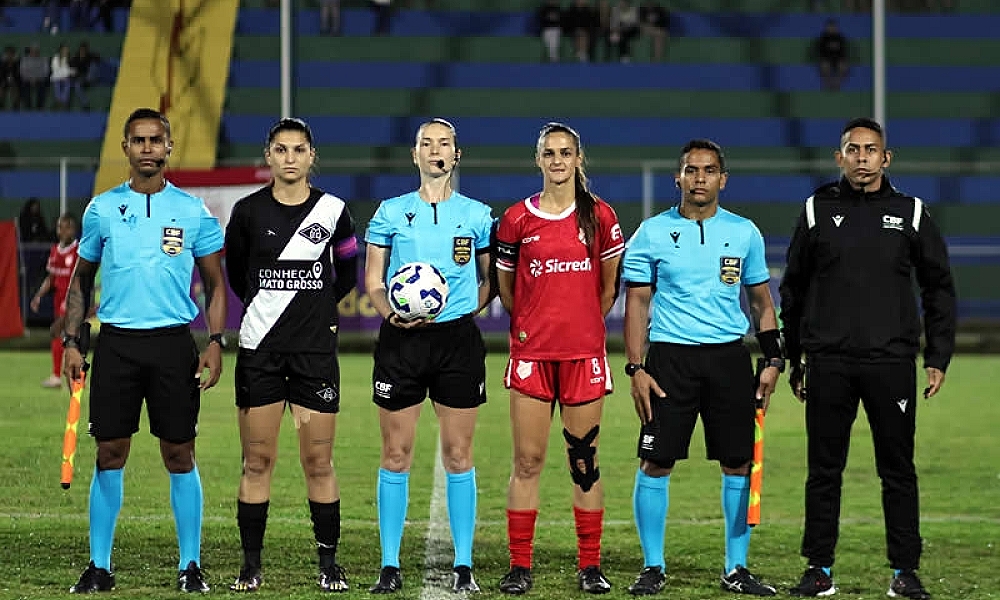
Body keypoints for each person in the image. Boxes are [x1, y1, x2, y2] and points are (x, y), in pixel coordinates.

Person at [780, 118, 956, 600]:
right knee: (824, 471)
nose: (862, 158)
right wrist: (795, 358)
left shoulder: (912, 212)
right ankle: (819, 568)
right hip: (829, 363)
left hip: (892, 364)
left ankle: (905, 571)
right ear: (839, 158)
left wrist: (938, 353)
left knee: (897, 471)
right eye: (853, 150)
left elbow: (939, 285)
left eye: (871, 150)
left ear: (886, 158)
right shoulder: (816, 209)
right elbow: (792, 289)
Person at [62, 107, 227, 594]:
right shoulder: (101, 209)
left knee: (179, 452)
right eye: (139, 141)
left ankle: (190, 565)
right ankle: (99, 566)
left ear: (169, 147)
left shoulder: (193, 211)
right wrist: (71, 340)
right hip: (116, 344)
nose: (148, 148)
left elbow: (217, 286)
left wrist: (215, 343)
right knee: (109, 452)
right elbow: (81, 280)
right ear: (126, 148)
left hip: (174, 344)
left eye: (157, 140)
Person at [621, 139, 781, 597]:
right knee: (655, 461)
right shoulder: (651, 232)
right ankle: (653, 566)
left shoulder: (745, 232)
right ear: (678, 177)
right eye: (691, 170)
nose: (699, 178)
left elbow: (760, 301)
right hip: (669, 359)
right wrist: (636, 368)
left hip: (729, 358)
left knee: (737, 463)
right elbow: (636, 304)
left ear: (722, 179)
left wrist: (773, 359)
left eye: (709, 171)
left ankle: (737, 568)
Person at [224, 117, 358, 593]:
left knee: (318, 462)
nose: (289, 158)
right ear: (268, 155)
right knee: (257, 461)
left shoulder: (334, 211)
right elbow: (239, 274)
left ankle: (329, 564)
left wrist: (313, 310)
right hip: (260, 352)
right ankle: (250, 565)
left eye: (298, 150)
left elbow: (346, 273)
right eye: (281, 150)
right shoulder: (246, 213)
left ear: (311, 156)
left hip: (314, 354)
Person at [364, 118, 494, 594]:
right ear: (414, 155)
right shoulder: (390, 213)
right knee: (395, 453)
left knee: (459, 453)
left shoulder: (479, 216)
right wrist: (390, 313)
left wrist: (462, 309)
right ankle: (390, 564)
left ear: (457, 155)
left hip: (457, 341)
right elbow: (375, 280)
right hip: (402, 342)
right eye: (426, 143)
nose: (435, 150)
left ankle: (463, 565)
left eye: (444, 143)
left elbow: (489, 282)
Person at [496, 122, 624, 596]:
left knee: (584, 462)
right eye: (549, 153)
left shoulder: (601, 216)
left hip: (583, 356)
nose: (557, 161)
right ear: (538, 160)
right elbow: (509, 292)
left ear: (577, 158)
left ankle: (590, 566)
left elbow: (609, 287)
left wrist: (583, 326)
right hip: (533, 355)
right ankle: (519, 566)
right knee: (527, 461)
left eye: (565, 152)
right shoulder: (516, 220)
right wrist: (533, 325)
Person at [30, 212, 79, 388]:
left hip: (72, 301)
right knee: (61, 336)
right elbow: (51, 278)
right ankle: (63, 375)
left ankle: (62, 376)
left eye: (65, 227)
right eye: (59, 227)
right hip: (58, 299)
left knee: (65, 336)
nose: (61, 231)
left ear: (72, 229)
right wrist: (38, 296)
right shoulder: (55, 251)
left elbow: (80, 278)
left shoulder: (78, 251)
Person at [814, 19, 849, 91]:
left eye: (833, 27)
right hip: (826, 58)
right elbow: (820, 51)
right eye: (829, 27)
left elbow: (844, 51)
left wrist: (842, 60)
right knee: (824, 66)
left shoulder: (840, 38)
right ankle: (828, 83)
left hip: (838, 58)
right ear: (826, 28)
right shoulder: (822, 38)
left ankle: (837, 83)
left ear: (836, 28)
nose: (831, 29)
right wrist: (823, 59)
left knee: (843, 67)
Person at [19, 43, 49, 110]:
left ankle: (39, 107)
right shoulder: (25, 59)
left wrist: (36, 78)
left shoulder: (44, 59)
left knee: (42, 86)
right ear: (30, 51)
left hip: (40, 79)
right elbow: (22, 71)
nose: (34, 52)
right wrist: (30, 78)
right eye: (32, 50)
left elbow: (45, 72)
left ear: (38, 51)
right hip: (27, 79)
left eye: (36, 50)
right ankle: (28, 107)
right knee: (24, 86)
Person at [50, 43, 74, 110]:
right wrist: (67, 72)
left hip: (65, 78)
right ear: (60, 50)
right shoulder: (55, 58)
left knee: (68, 83)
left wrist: (70, 72)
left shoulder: (69, 59)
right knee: (56, 83)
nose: (65, 51)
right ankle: (58, 101)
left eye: (66, 50)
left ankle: (63, 101)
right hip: (56, 78)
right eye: (64, 50)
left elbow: (69, 70)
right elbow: (55, 70)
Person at [0, 45, 21, 110]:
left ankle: (15, 105)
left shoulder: (18, 62)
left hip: (15, 81)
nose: (9, 55)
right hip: (4, 81)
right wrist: (3, 82)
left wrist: (13, 81)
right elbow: (1, 74)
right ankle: (1, 105)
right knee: (1, 89)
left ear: (14, 54)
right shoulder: (2, 63)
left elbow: (19, 74)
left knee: (15, 89)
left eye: (11, 53)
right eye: (8, 53)